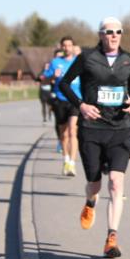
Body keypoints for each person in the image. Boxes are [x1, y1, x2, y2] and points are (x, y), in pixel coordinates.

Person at [59, 17, 130, 258]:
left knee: (116, 182)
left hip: (120, 129)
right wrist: (81, 105)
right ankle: (90, 201)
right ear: (101, 34)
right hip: (92, 129)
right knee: (94, 183)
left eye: (118, 32)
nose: (114, 35)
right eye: (109, 32)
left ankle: (111, 237)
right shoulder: (87, 58)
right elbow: (64, 84)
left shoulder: (129, 60)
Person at [42, 36, 81, 177]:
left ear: (73, 47)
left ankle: (72, 163)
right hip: (60, 100)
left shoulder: (79, 62)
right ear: (61, 47)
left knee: (73, 131)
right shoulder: (55, 62)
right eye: (64, 45)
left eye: (69, 45)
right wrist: (53, 76)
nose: (67, 48)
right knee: (63, 134)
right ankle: (65, 159)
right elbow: (44, 81)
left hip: (75, 100)